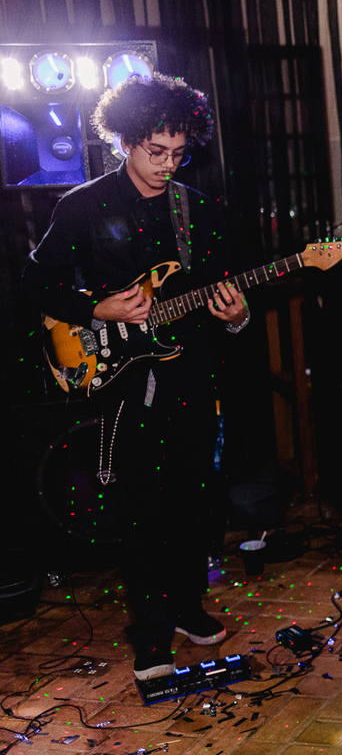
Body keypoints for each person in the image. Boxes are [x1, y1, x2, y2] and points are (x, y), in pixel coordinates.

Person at [24, 75, 248, 680]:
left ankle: (185, 606)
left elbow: (225, 289)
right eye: (157, 151)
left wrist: (237, 314)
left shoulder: (199, 211)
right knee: (144, 510)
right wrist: (99, 308)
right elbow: (34, 285)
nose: (168, 165)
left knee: (196, 503)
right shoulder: (83, 207)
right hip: (125, 382)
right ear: (126, 138)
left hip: (193, 377)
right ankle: (150, 631)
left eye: (180, 153)